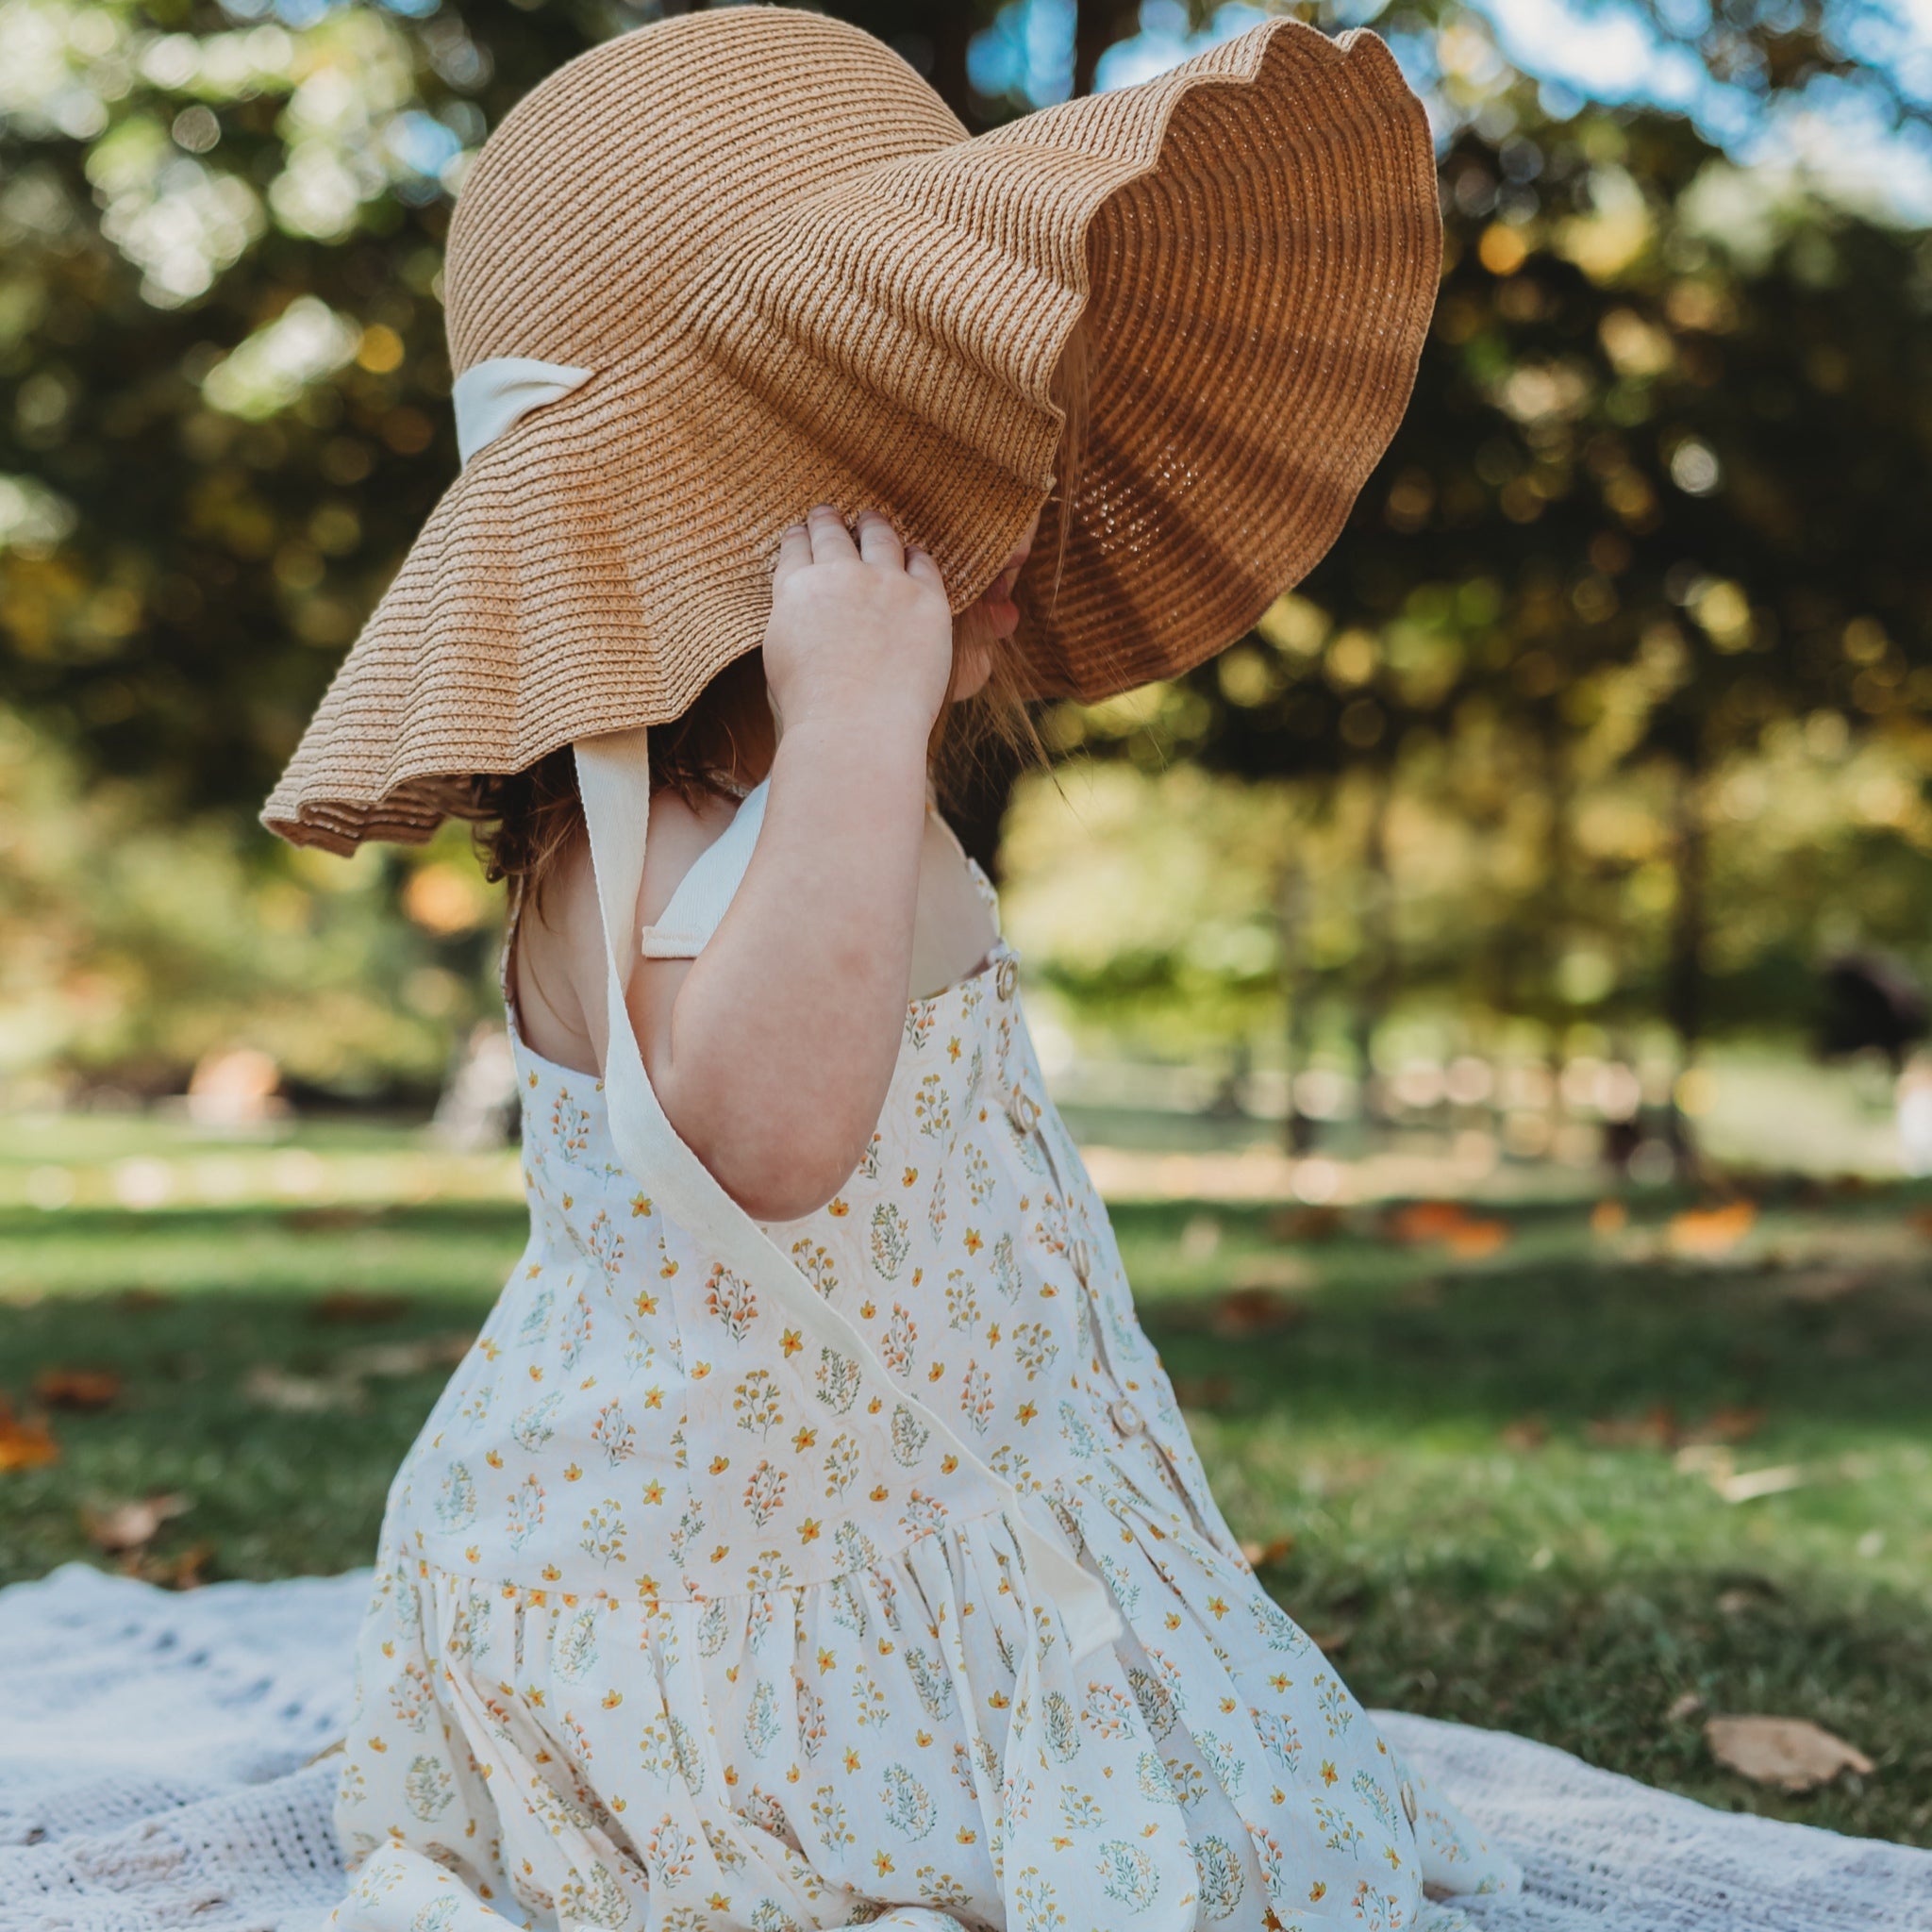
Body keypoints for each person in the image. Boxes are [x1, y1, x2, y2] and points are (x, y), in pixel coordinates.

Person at [264, 8, 1519, 1926]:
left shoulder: (842, 797)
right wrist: (852, 733)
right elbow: (772, 1133)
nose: (1011, 500)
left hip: (932, 1487)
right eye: (916, 463)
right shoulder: (626, 855)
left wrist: (856, 743)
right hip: (705, 1570)